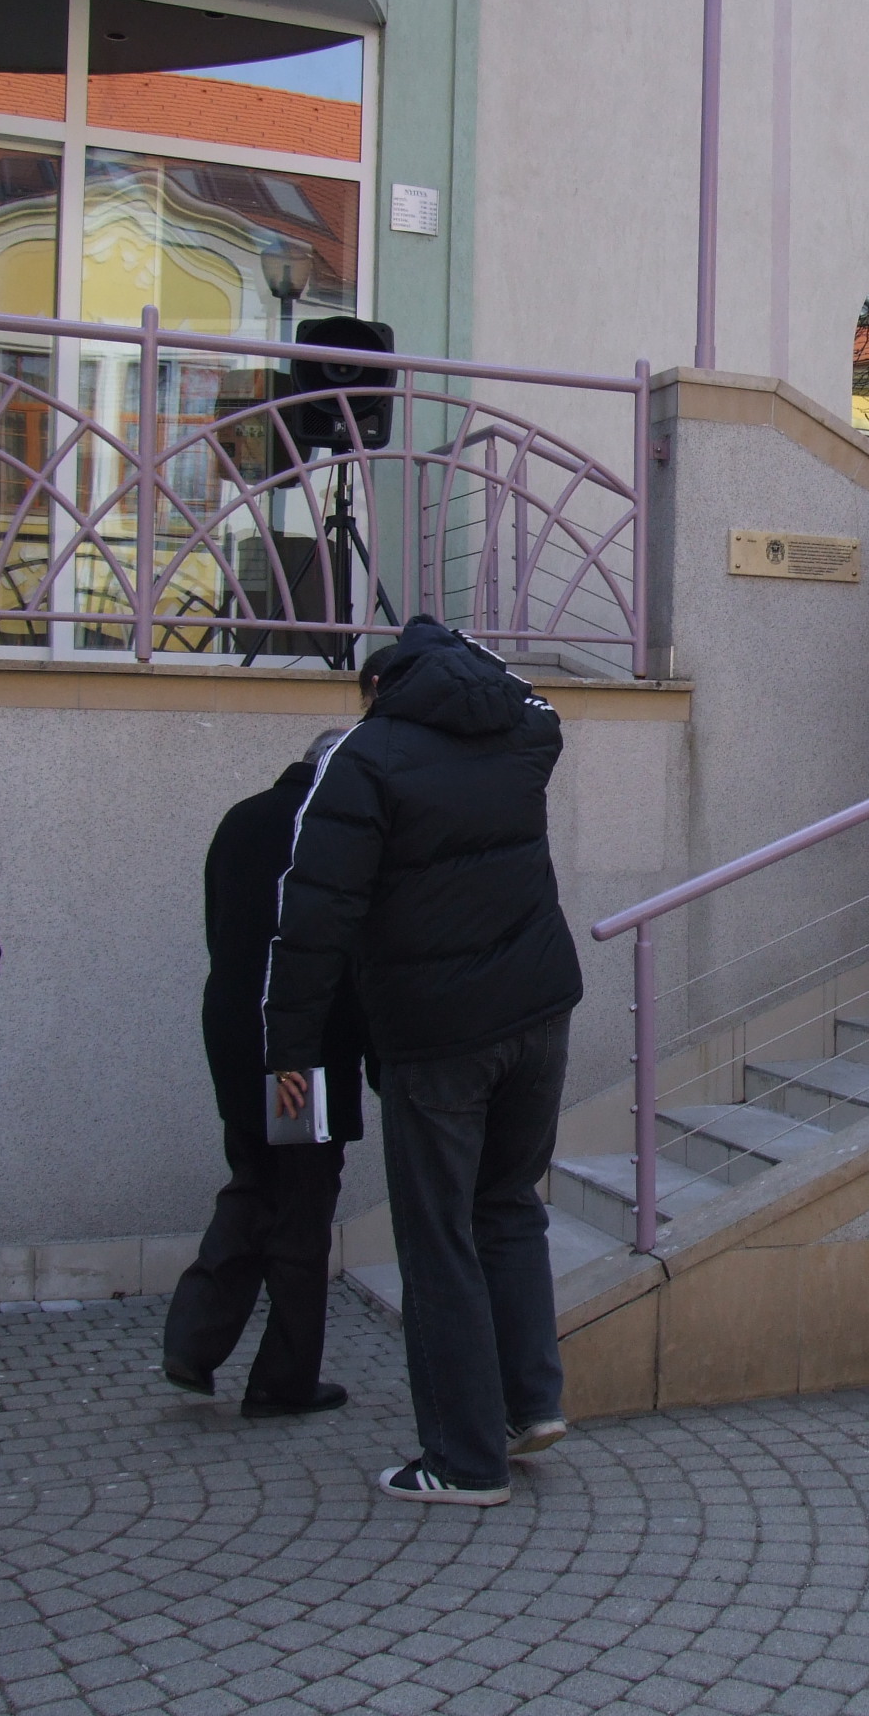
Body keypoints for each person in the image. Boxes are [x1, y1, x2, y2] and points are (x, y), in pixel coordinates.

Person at [264, 615, 583, 1507]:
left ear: (377, 690)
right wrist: (446, 644)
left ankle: (463, 1458)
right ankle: (528, 1405)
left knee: (439, 1237)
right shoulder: (520, 733)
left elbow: (313, 918)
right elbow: (532, 700)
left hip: (438, 1034)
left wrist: (288, 1056)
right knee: (507, 1206)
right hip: (538, 1011)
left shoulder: (364, 758)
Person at [161, 726, 372, 1420]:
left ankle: (193, 1341)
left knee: (252, 1182)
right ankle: (284, 1380)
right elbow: (345, 956)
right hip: (301, 1057)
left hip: (235, 1036)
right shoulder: (333, 832)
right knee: (301, 1209)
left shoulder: (243, 818)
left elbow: (219, 927)